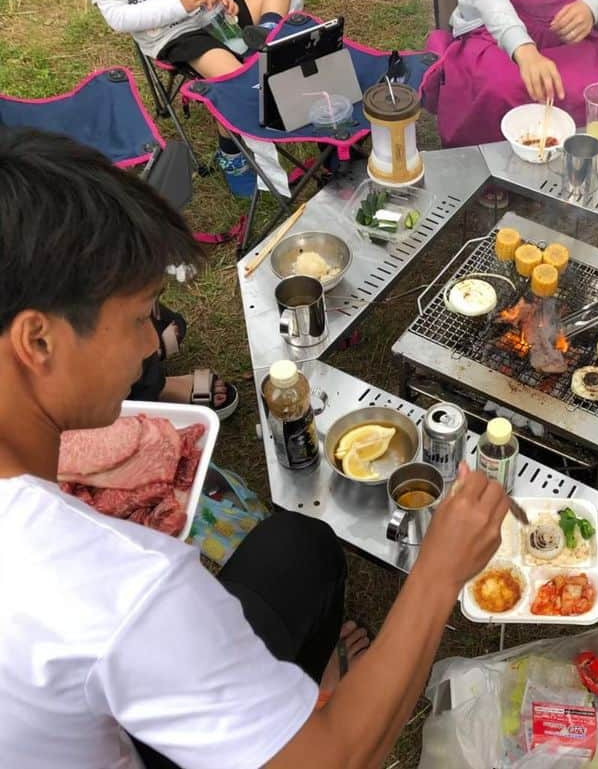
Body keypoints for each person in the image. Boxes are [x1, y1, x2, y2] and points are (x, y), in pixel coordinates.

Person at [0, 127, 511, 768]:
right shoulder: (124, 590)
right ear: (37, 341)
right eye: (138, 319)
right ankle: (307, 704)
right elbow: (336, 761)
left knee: (300, 546)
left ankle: (298, 687)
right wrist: (439, 571)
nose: (148, 347)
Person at [82, 0, 292, 196]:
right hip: (173, 34)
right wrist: (178, 4)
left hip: (211, 16)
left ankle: (261, 42)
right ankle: (230, 155)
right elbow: (116, 17)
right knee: (234, 81)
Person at [421, 0, 598, 148]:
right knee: (498, 86)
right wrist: (521, 47)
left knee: (580, 94)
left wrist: (594, 6)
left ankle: (565, 178)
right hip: (498, 24)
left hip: (575, 29)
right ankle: (486, 175)